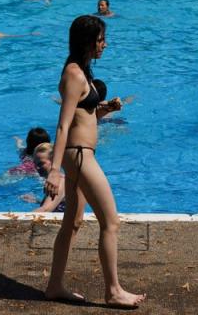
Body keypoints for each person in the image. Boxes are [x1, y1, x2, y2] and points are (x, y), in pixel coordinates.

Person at [43, 15, 144, 307]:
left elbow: (83, 117)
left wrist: (105, 110)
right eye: (101, 39)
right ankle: (113, 291)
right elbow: (63, 126)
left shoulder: (82, 71)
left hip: (81, 154)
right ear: (89, 42)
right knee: (110, 221)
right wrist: (53, 170)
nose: (105, 44)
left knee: (72, 222)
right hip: (79, 156)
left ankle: (54, 286)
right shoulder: (74, 75)